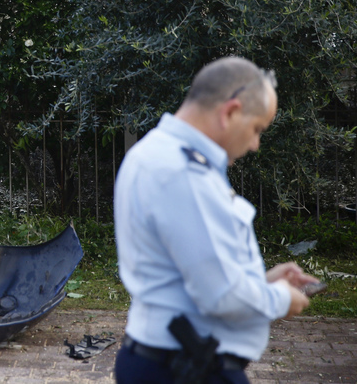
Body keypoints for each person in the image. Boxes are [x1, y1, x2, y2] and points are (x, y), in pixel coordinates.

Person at [114, 57, 318, 384]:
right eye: (256, 129)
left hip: (167, 360)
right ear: (230, 112)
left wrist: (261, 283)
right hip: (186, 369)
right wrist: (281, 297)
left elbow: (188, 276)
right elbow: (220, 295)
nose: (254, 145)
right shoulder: (183, 173)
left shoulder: (153, 153)